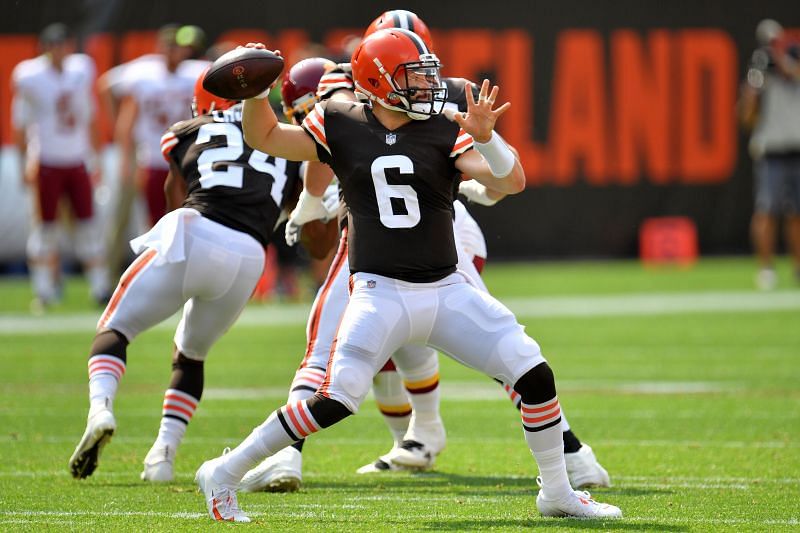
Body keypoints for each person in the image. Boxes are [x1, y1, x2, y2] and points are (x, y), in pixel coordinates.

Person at [193, 29, 621, 522]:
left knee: (534, 373)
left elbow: (511, 180)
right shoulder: (339, 119)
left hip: (446, 290)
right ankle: (224, 470)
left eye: (426, 76)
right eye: (413, 78)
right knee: (336, 400)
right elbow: (266, 137)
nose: (426, 87)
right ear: (376, 82)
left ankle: (558, 492)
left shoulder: (441, 127)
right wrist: (253, 95)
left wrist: (488, 138)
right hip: (381, 294)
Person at [68, 70, 302, 481]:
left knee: (115, 327)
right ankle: (162, 455)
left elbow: (174, 195)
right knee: (190, 354)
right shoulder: (286, 142)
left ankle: (101, 409)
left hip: (196, 229)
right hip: (250, 255)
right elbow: (290, 206)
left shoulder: (186, 131)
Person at [11, 22, 111, 309]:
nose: (59, 50)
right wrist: (23, 163)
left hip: (77, 160)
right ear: (45, 48)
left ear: (69, 46)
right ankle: (43, 290)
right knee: (45, 229)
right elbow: (20, 123)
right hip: (47, 162)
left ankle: (100, 287)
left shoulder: (81, 69)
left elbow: (90, 115)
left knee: (89, 226)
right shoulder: (29, 76)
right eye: (53, 45)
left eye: (63, 44)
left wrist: (97, 159)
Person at [739, 18, 800, 290]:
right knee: (767, 210)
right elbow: (746, 116)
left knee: (796, 214)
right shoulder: (761, 72)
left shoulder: (792, 62)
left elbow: (793, 72)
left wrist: (785, 63)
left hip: (797, 149)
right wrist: (753, 91)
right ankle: (766, 268)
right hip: (771, 151)